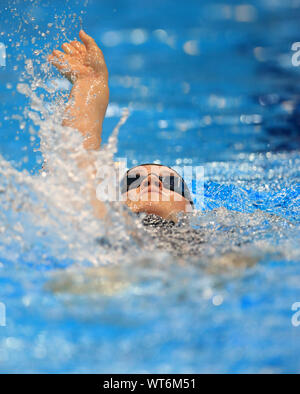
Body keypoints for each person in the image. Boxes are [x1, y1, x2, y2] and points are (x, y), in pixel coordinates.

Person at [48, 30, 194, 223]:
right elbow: (73, 176)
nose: (152, 182)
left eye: (171, 183)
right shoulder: (95, 238)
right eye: (133, 182)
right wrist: (89, 84)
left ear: (190, 209)